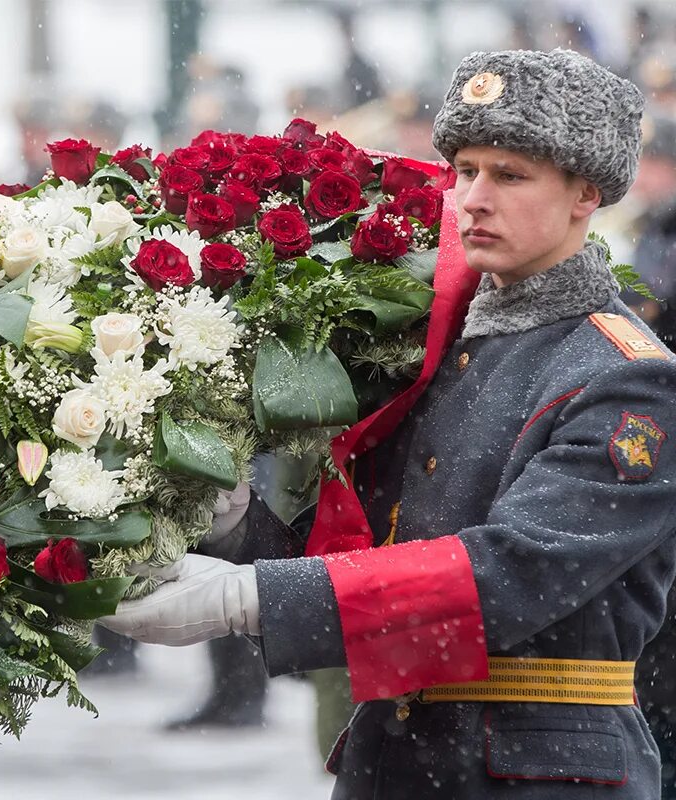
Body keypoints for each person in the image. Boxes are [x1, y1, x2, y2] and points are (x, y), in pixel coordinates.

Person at [104, 48, 676, 797]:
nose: (472, 197)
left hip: (537, 771)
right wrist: (232, 526)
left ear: (584, 194)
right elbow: (366, 544)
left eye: (509, 175)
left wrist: (247, 600)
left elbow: (511, 574)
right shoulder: (444, 345)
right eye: (464, 170)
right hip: (394, 757)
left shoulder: (628, 374)